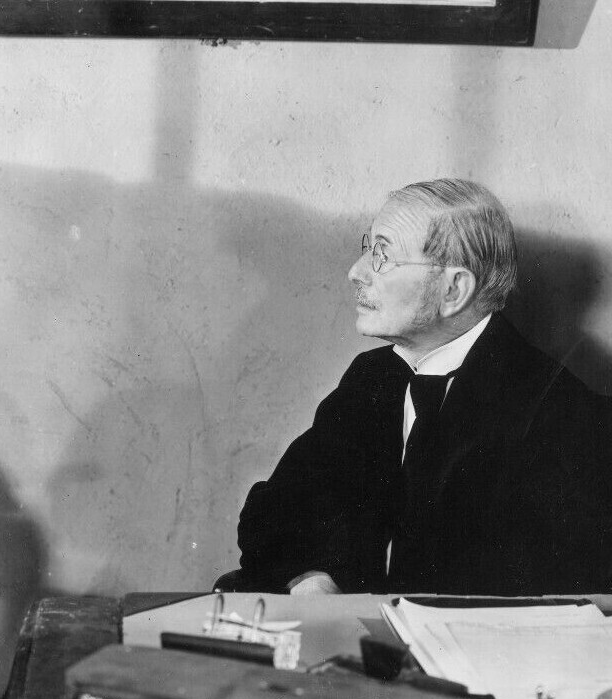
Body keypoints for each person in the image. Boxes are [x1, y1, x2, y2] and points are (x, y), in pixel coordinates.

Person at [236, 178, 612, 597]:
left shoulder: (563, 416)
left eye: (383, 256)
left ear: (454, 290)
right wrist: (312, 577)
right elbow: (275, 510)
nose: (356, 272)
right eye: (368, 248)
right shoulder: (374, 377)